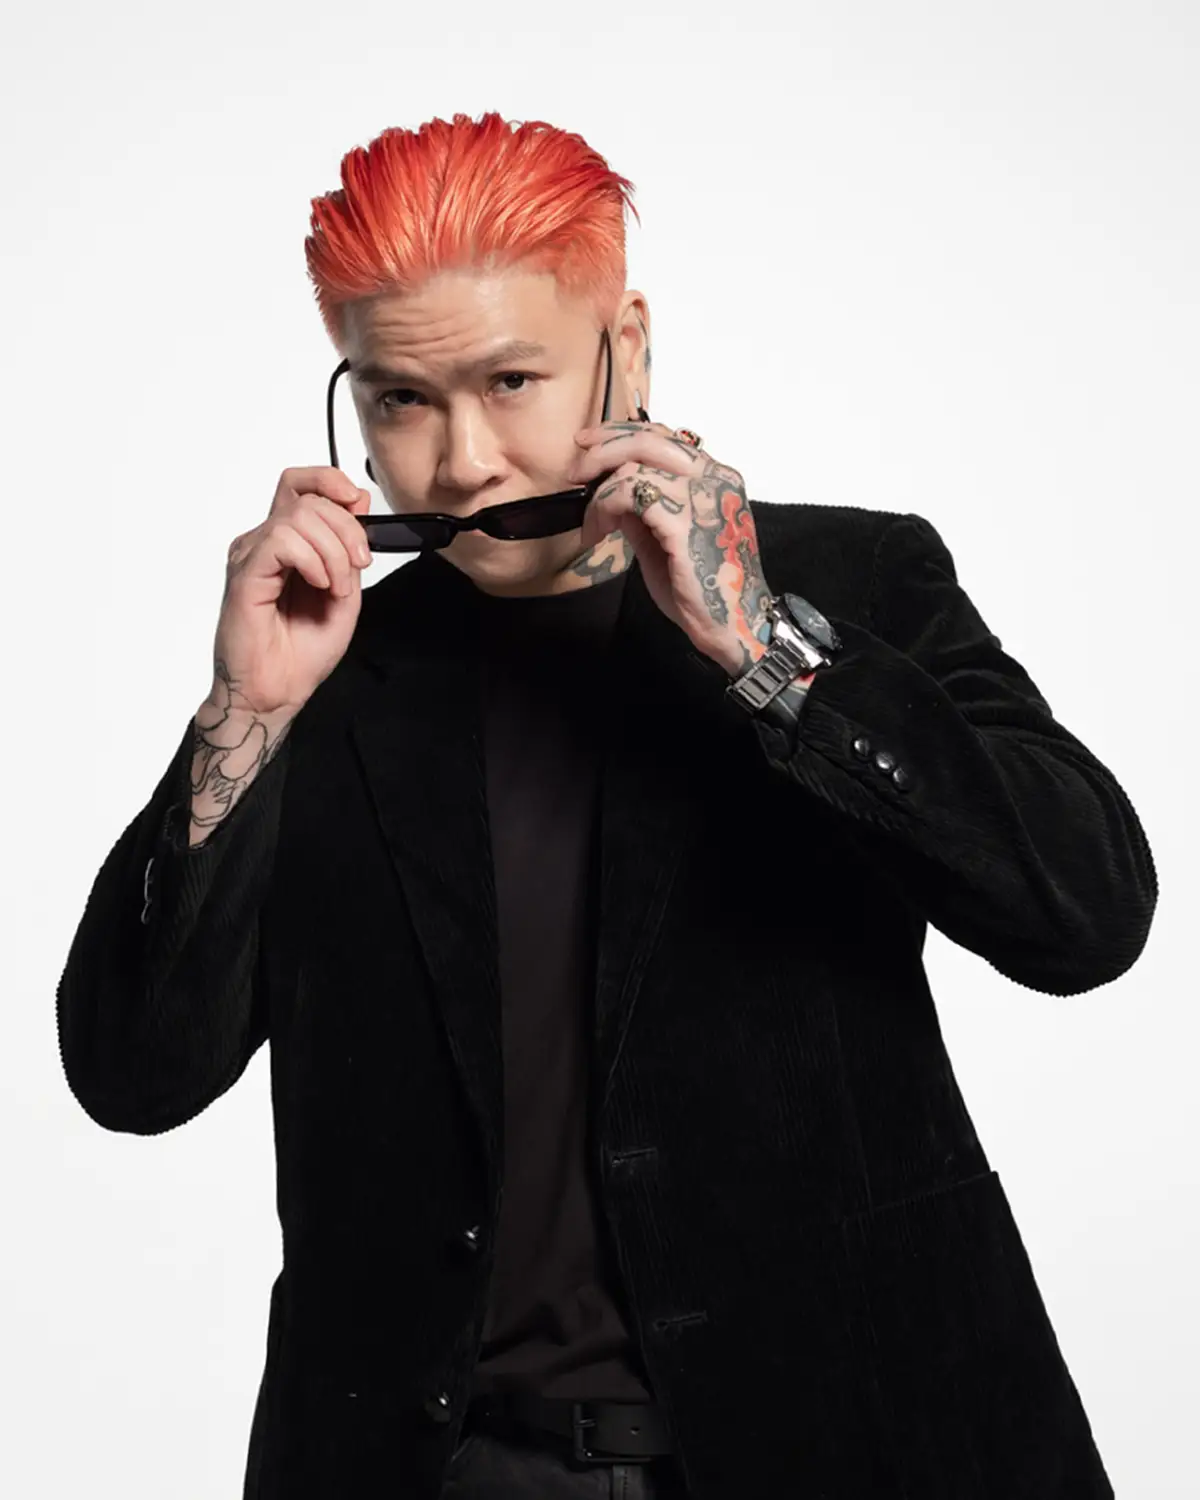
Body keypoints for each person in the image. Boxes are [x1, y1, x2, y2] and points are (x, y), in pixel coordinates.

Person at [56, 110, 1156, 1500]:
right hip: (447, 1468)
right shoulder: (324, 670)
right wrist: (249, 714)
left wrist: (767, 650)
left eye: (512, 381)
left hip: (856, 1440)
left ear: (624, 347)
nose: (462, 462)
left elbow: (1087, 913)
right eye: (400, 401)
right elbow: (132, 1075)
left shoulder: (855, 585)